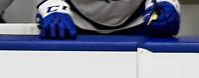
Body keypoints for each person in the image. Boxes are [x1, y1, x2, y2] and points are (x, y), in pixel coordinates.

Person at [36, 0, 180, 39]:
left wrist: (164, 5)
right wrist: (52, 7)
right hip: (74, 27)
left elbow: (161, 7)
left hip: (138, 26)